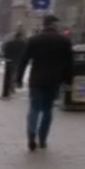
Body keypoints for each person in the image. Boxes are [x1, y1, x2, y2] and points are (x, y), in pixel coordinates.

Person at [22, 14, 74, 151]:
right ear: (56, 25)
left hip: (37, 79)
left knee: (34, 108)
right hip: (54, 80)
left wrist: (18, 79)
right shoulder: (64, 41)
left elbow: (24, 60)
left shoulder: (34, 40)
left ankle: (31, 135)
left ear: (44, 25)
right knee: (47, 109)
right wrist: (68, 81)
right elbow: (69, 63)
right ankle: (43, 138)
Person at [1, 28, 27, 98]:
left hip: (9, 60)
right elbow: (25, 52)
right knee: (15, 74)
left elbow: (5, 51)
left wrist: (6, 57)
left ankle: (7, 90)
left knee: (9, 75)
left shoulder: (9, 43)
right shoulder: (23, 43)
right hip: (18, 61)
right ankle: (13, 86)